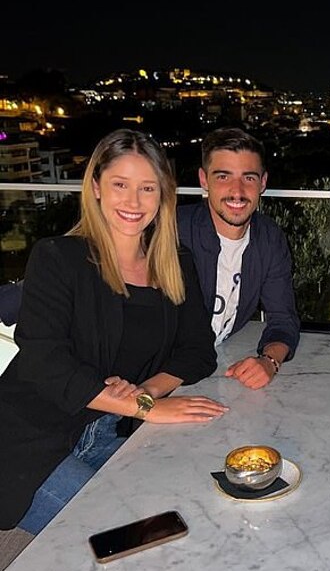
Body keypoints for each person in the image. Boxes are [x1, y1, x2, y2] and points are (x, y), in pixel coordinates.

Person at [0, 129, 227, 533]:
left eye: (147, 188)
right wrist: (147, 408)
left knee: (192, 509)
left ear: (163, 195)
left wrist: (146, 393)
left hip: (116, 427)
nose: (133, 202)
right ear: (96, 187)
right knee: (127, 533)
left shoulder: (176, 262)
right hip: (29, 439)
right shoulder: (58, 257)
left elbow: (197, 350)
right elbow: (43, 363)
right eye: (120, 184)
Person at [177, 127, 300, 390]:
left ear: (263, 183)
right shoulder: (173, 232)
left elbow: (283, 319)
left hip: (214, 370)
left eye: (249, 177)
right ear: (203, 180)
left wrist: (269, 361)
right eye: (223, 176)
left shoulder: (268, 238)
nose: (237, 191)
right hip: (158, 378)